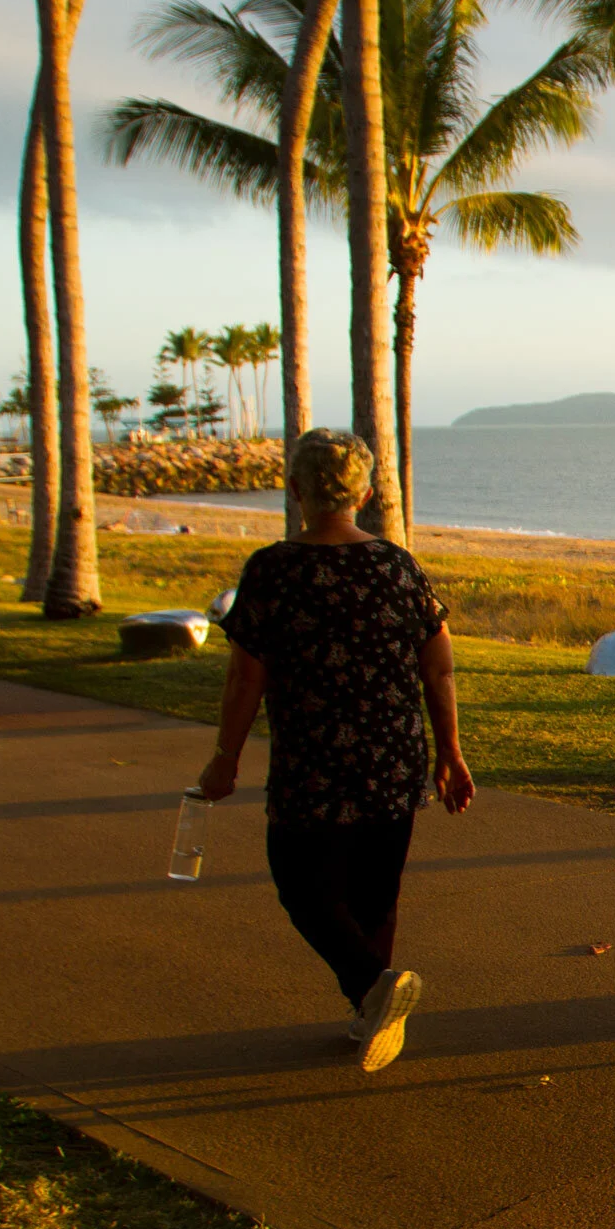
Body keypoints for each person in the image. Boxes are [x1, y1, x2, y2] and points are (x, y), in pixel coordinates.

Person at [197, 429, 473, 1071]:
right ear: (366, 493)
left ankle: (372, 993)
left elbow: (246, 676)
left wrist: (225, 757)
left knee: (300, 883)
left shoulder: (272, 570)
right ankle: (372, 1009)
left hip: (313, 762)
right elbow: (439, 671)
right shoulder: (397, 566)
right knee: (374, 895)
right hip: (392, 758)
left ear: (294, 490)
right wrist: (450, 751)